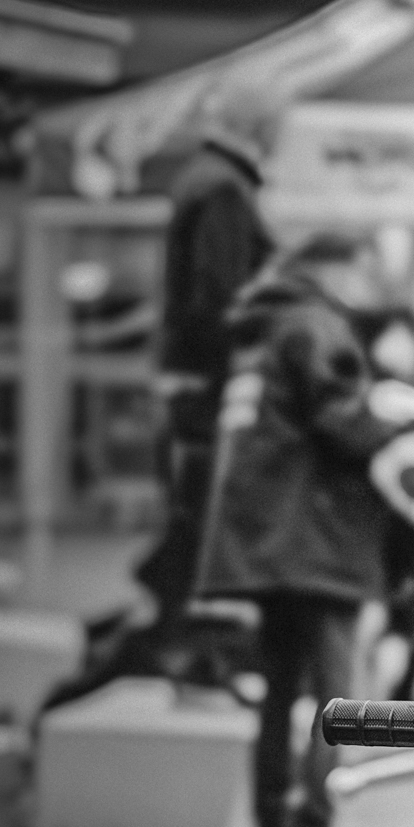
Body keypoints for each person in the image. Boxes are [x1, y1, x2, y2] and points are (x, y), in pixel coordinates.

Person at [197, 233, 403, 827]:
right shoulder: (316, 324)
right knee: (337, 697)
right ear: (337, 266)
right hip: (317, 537)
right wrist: (404, 430)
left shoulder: (259, 329)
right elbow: (343, 418)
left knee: (280, 689)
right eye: (365, 269)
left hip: (266, 537)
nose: (367, 285)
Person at [137, 103, 276, 623]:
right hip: (205, 383)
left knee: (189, 509)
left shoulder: (203, 178)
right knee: (201, 512)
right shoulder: (224, 189)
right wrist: (245, 363)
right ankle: (175, 624)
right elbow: (221, 295)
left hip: (186, 378)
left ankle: (169, 615)